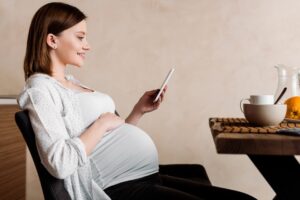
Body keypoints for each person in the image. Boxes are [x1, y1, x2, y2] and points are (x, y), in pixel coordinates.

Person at [18, 2, 255, 200]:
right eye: (80, 37)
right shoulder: (40, 91)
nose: (87, 46)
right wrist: (101, 124)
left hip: (144, 177)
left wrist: (137, 111)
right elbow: (59, 163)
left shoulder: (71, 81)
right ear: (52, 40)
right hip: (118, 188)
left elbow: (109, 141)